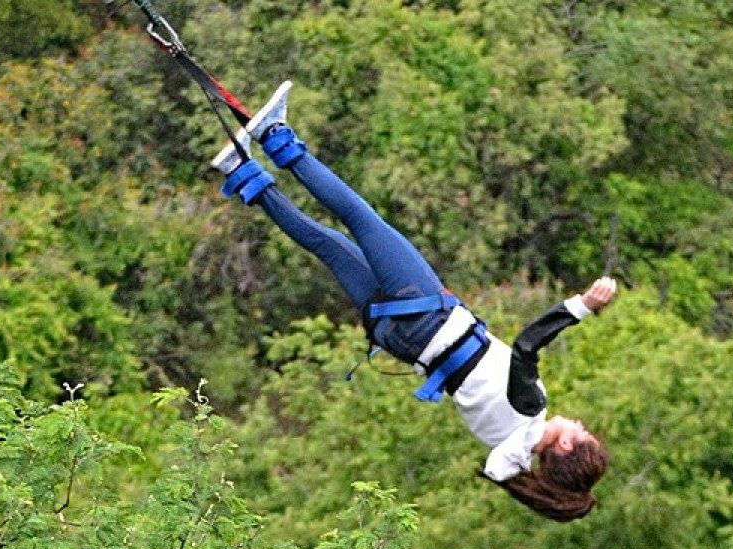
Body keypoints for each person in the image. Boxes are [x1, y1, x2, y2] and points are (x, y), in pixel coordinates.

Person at [212, 82, 613, 522]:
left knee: (360, 217)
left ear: (566, 446)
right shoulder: (502, 450)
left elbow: (526, 346)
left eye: (582, 433)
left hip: (423, 310)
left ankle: (275, 136)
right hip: (397, 337)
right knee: (328, 246)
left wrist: (581, 307)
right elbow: (502, 466)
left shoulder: (530, 410)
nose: (579, 424)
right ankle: (241, 172)